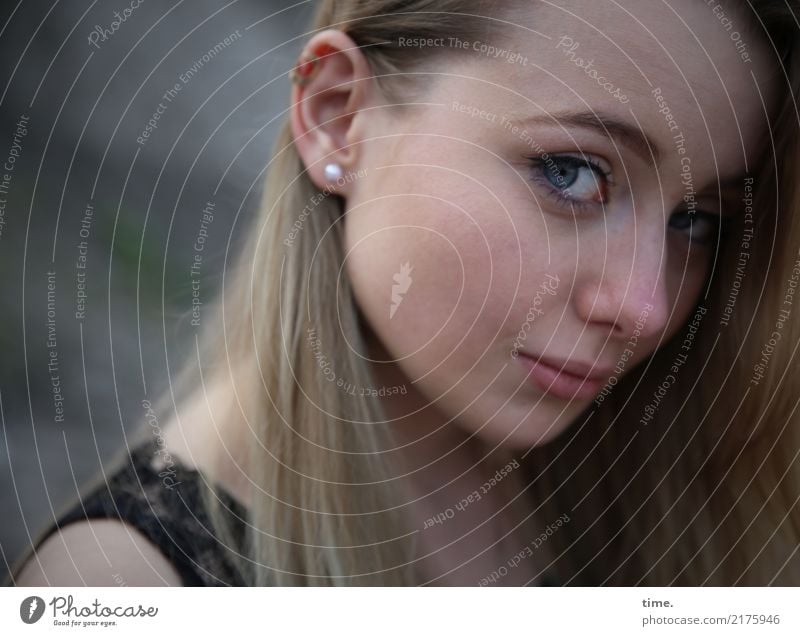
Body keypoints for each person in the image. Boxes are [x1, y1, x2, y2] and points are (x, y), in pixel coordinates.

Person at [10, 0, 800, 586]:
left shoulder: (656, 497)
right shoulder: (119, 584)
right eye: (572, 172)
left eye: (697, 219)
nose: (644, 306)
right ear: (337, 116)